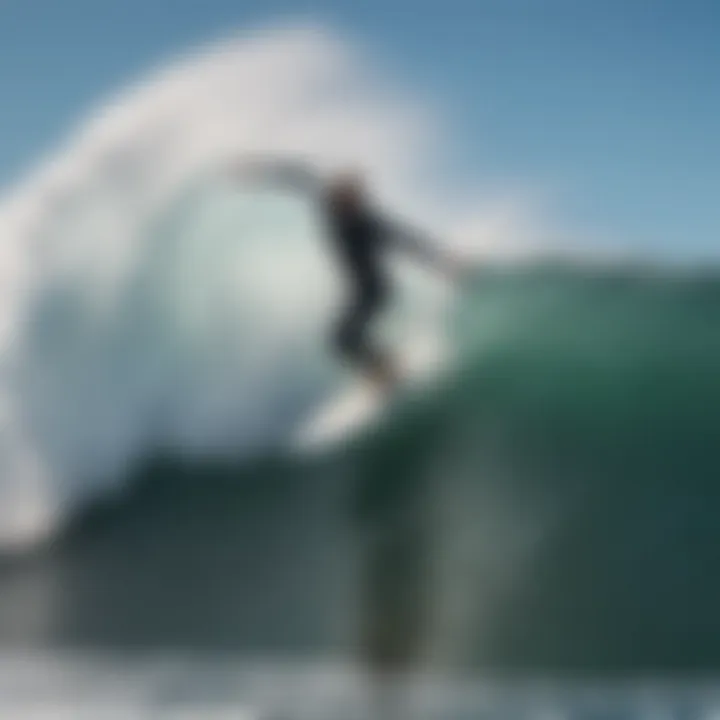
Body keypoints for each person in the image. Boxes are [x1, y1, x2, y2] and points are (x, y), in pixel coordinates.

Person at [230, 160, 462, 392]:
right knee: (342, 339)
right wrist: (257, 170)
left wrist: (442, 262)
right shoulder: (326, 196)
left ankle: (387, 371)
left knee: (343, 337)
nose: (347, 204)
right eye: (344, 197)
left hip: (376, 289)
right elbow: (294, 174)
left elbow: (407, 239)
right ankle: (386, 370)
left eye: (353, 199)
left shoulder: (367, 222)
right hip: (359, 289)